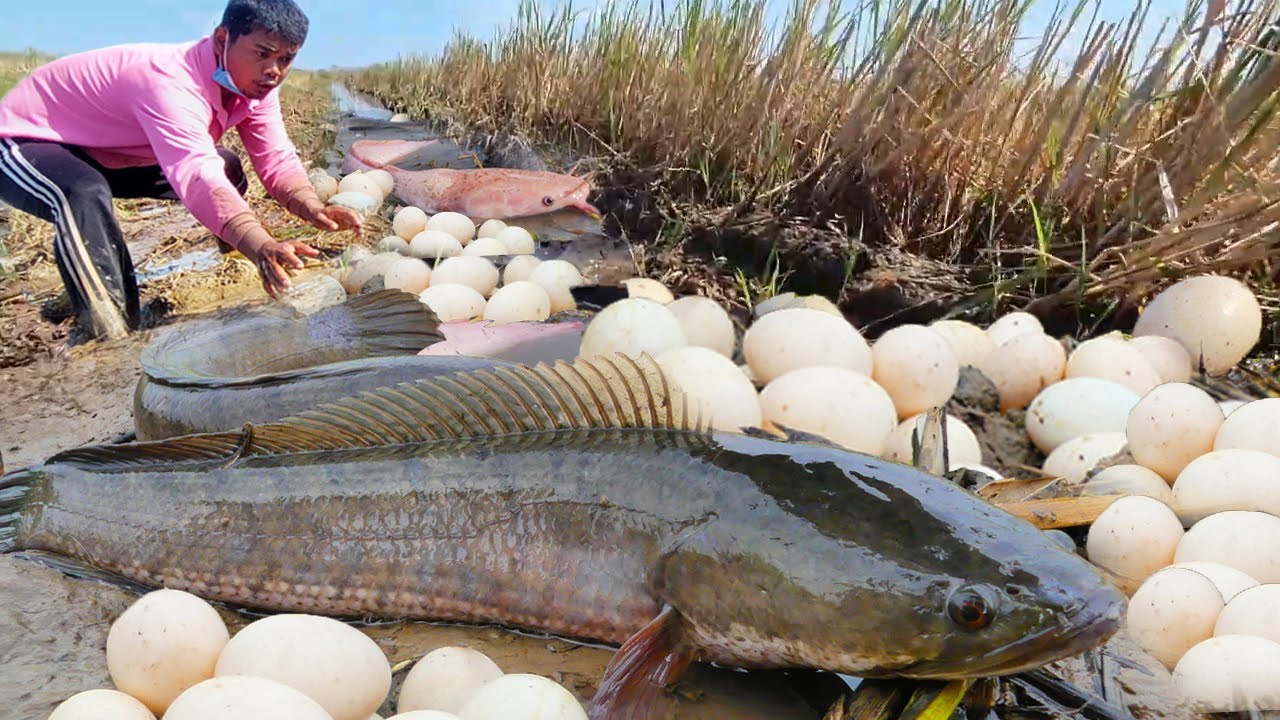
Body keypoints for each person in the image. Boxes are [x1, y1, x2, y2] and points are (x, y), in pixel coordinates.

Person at [0, 0, 362, 341]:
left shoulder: (256, 87)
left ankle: (240, 261)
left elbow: (276, 157)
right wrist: (260, 242)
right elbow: (195, 173)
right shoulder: (170, 81)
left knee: (227, 166)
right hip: (25, 140)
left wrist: (310, 206)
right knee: (81, 192)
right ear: (223, 39)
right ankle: (107, 333)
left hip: (111, 150)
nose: (274, 71)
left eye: (286, 59)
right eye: (262, 54)